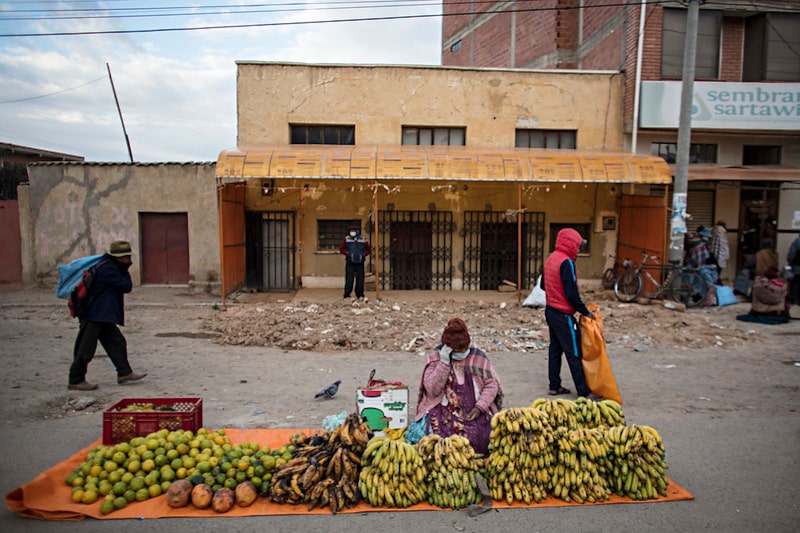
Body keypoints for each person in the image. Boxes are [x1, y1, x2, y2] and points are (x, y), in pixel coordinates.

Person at [415, 318, 503, 454]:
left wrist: (480, 407)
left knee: (484, 438)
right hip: (442, 410)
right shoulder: (436, 358)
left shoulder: (478, 357)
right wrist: (443, 363)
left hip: (473, 409)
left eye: (464, 349)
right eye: (457, 350)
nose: (462, 353)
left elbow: (491, 385)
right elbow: (432, 391)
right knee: (435, 442)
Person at [68, 241, 147, 391]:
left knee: (117, 342)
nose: (129, 260)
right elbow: (126, 286)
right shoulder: (109, 269)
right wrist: (126, 270)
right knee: (85, 349)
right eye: (126, 258)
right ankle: (76, 379)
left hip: (102, 315)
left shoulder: (109, 266)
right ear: (118, 257)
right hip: (94, 315)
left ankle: (124, 373)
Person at [541, 228, 595, 399]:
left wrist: (554, 293)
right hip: (563, 315)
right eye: (578, 246)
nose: (579, 250)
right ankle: (583, 391)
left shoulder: (551, 259)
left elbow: (543, 285)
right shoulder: (567, 262)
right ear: (571, 245)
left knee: (555, 349)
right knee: (574, 352)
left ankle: (554, 385)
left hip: (550, 311)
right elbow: (572, 293)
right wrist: (585, 312)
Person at [339, 224, 370, 301]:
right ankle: (347, 294)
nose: (352, 232)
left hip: (360, 262)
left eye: (353, 231)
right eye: (351, 230)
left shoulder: (363, 239)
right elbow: (341, 249)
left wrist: (363, 255)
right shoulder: (347, 239)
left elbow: (368, 249)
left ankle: (360, 294)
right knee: (349, 279)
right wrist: (347, 253)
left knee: (360, 279)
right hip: (350, 262)